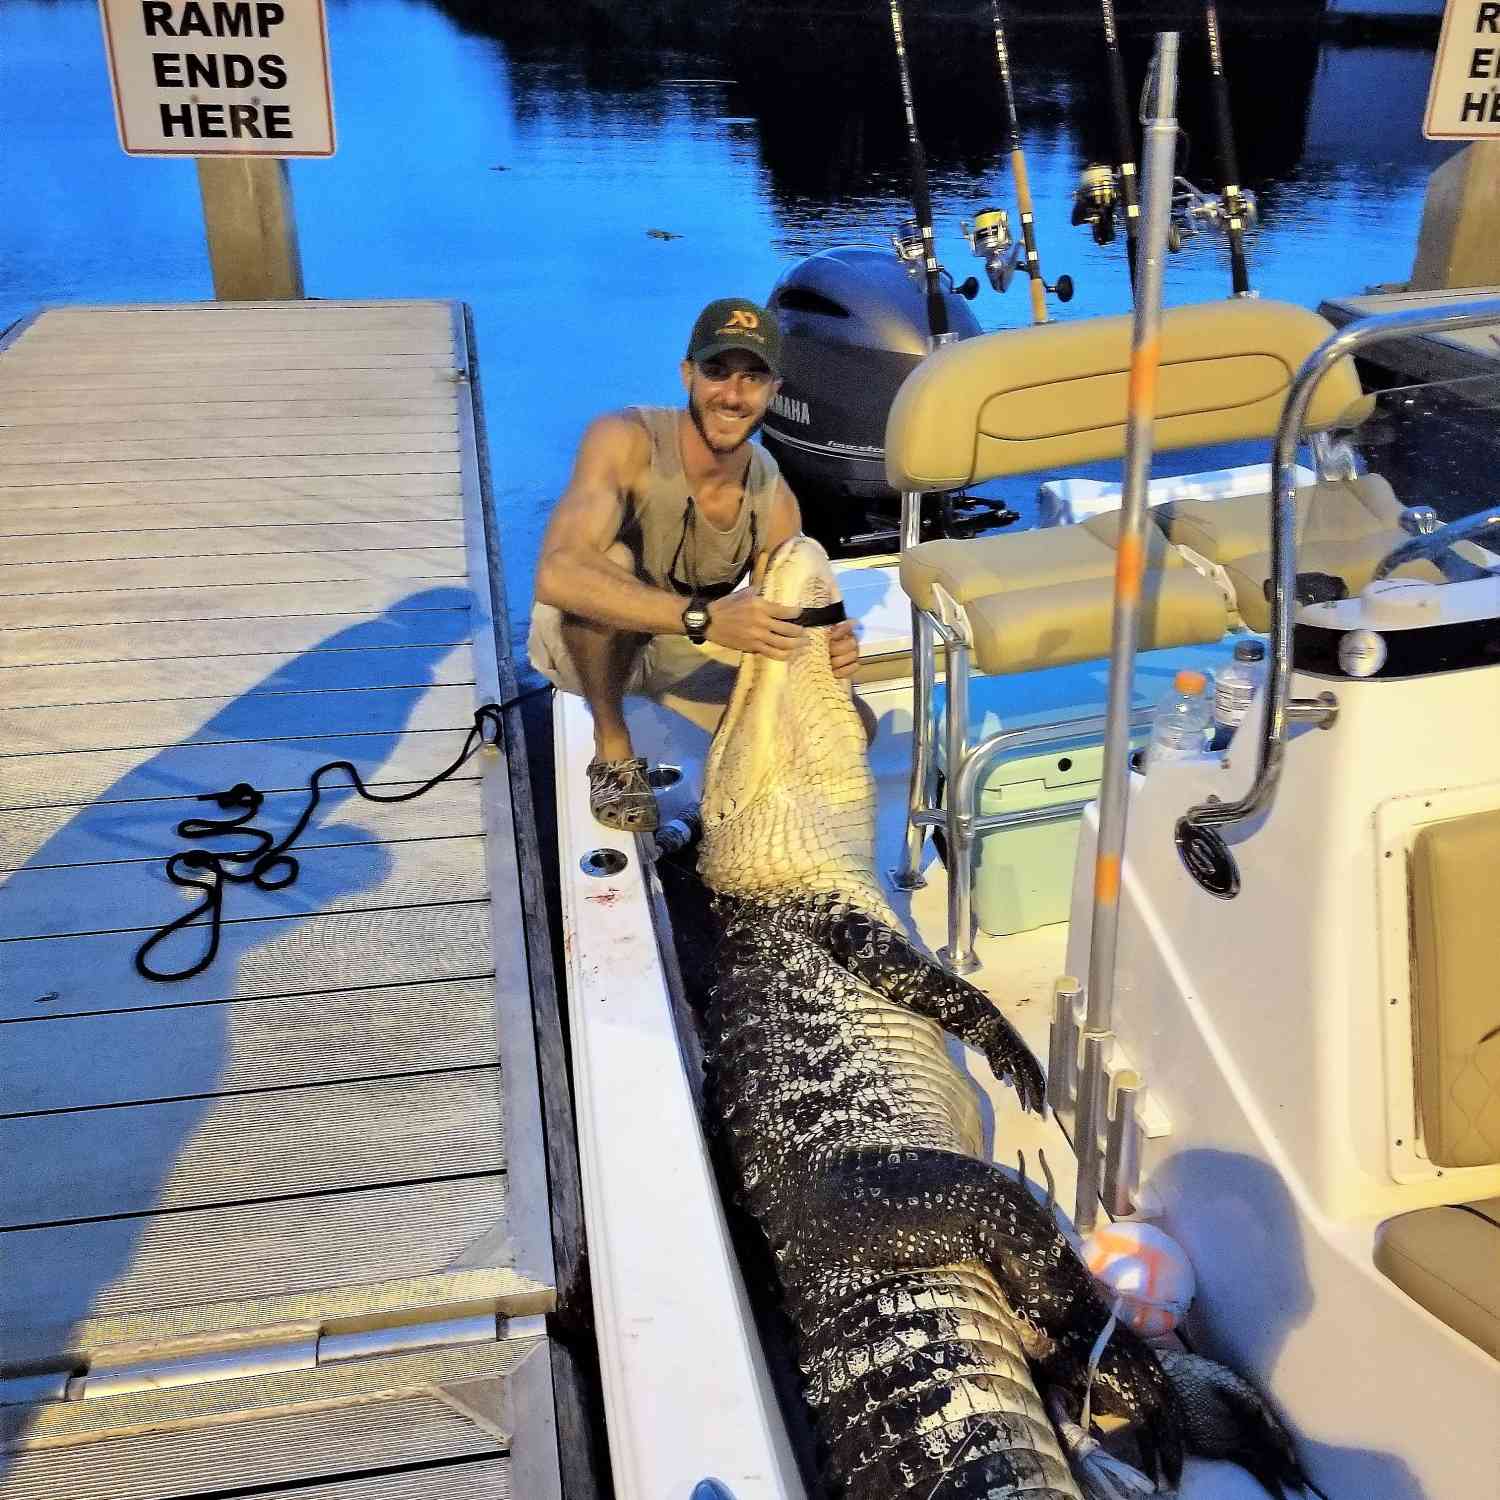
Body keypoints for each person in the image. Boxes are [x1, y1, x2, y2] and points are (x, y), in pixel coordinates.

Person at [529, 296, 863, 832]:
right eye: (716, 372)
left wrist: (833, 651)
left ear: (775, 391)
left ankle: (735, 803)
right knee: (603, 562)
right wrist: (703, 618)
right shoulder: (625, 439)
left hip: (688, 648)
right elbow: (557, 573)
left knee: (853, 725)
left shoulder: (773, 495)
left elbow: (791, 617)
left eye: (753, 378)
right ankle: (611, 748)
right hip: (591, 645)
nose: (732, 396)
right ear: (687, 373)